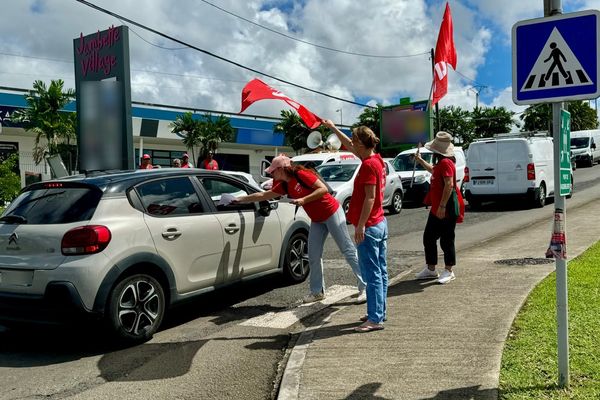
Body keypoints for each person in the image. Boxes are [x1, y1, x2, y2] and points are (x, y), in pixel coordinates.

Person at [233, 154, 366, 303]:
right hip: (317, 219)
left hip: (331, 212)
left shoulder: (302, 174)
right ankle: (317, 292)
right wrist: (240, 199)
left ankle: (365, 287)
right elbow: (264, 195)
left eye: (273, 171)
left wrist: (304, 200)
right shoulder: (284, 184)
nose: (271, 174)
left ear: (282, 169)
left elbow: (323, 189)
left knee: (347, 250)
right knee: (314, 256)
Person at [323, 119, 388, 333]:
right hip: (380, 222)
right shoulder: (376, 159)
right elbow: (350, 147)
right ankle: (378, 312)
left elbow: (369, 198)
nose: (350, 143)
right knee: (380, 271)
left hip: (369, 225)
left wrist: (360, 226)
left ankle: (375, 318)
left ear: (361, 143)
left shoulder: (369, 165)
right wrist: (333, 128)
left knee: (372, 274)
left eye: (354, 140)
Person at [413, 131, 464, 284]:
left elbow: (448, 184)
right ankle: (431, 268)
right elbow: (433, 171)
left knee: (447, 239)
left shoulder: (446, 163)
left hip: (445, 206)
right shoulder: (441, 164)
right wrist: (421, 161)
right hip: (438, 207)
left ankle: (449, 270)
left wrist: (442, 206)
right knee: (429, 237)